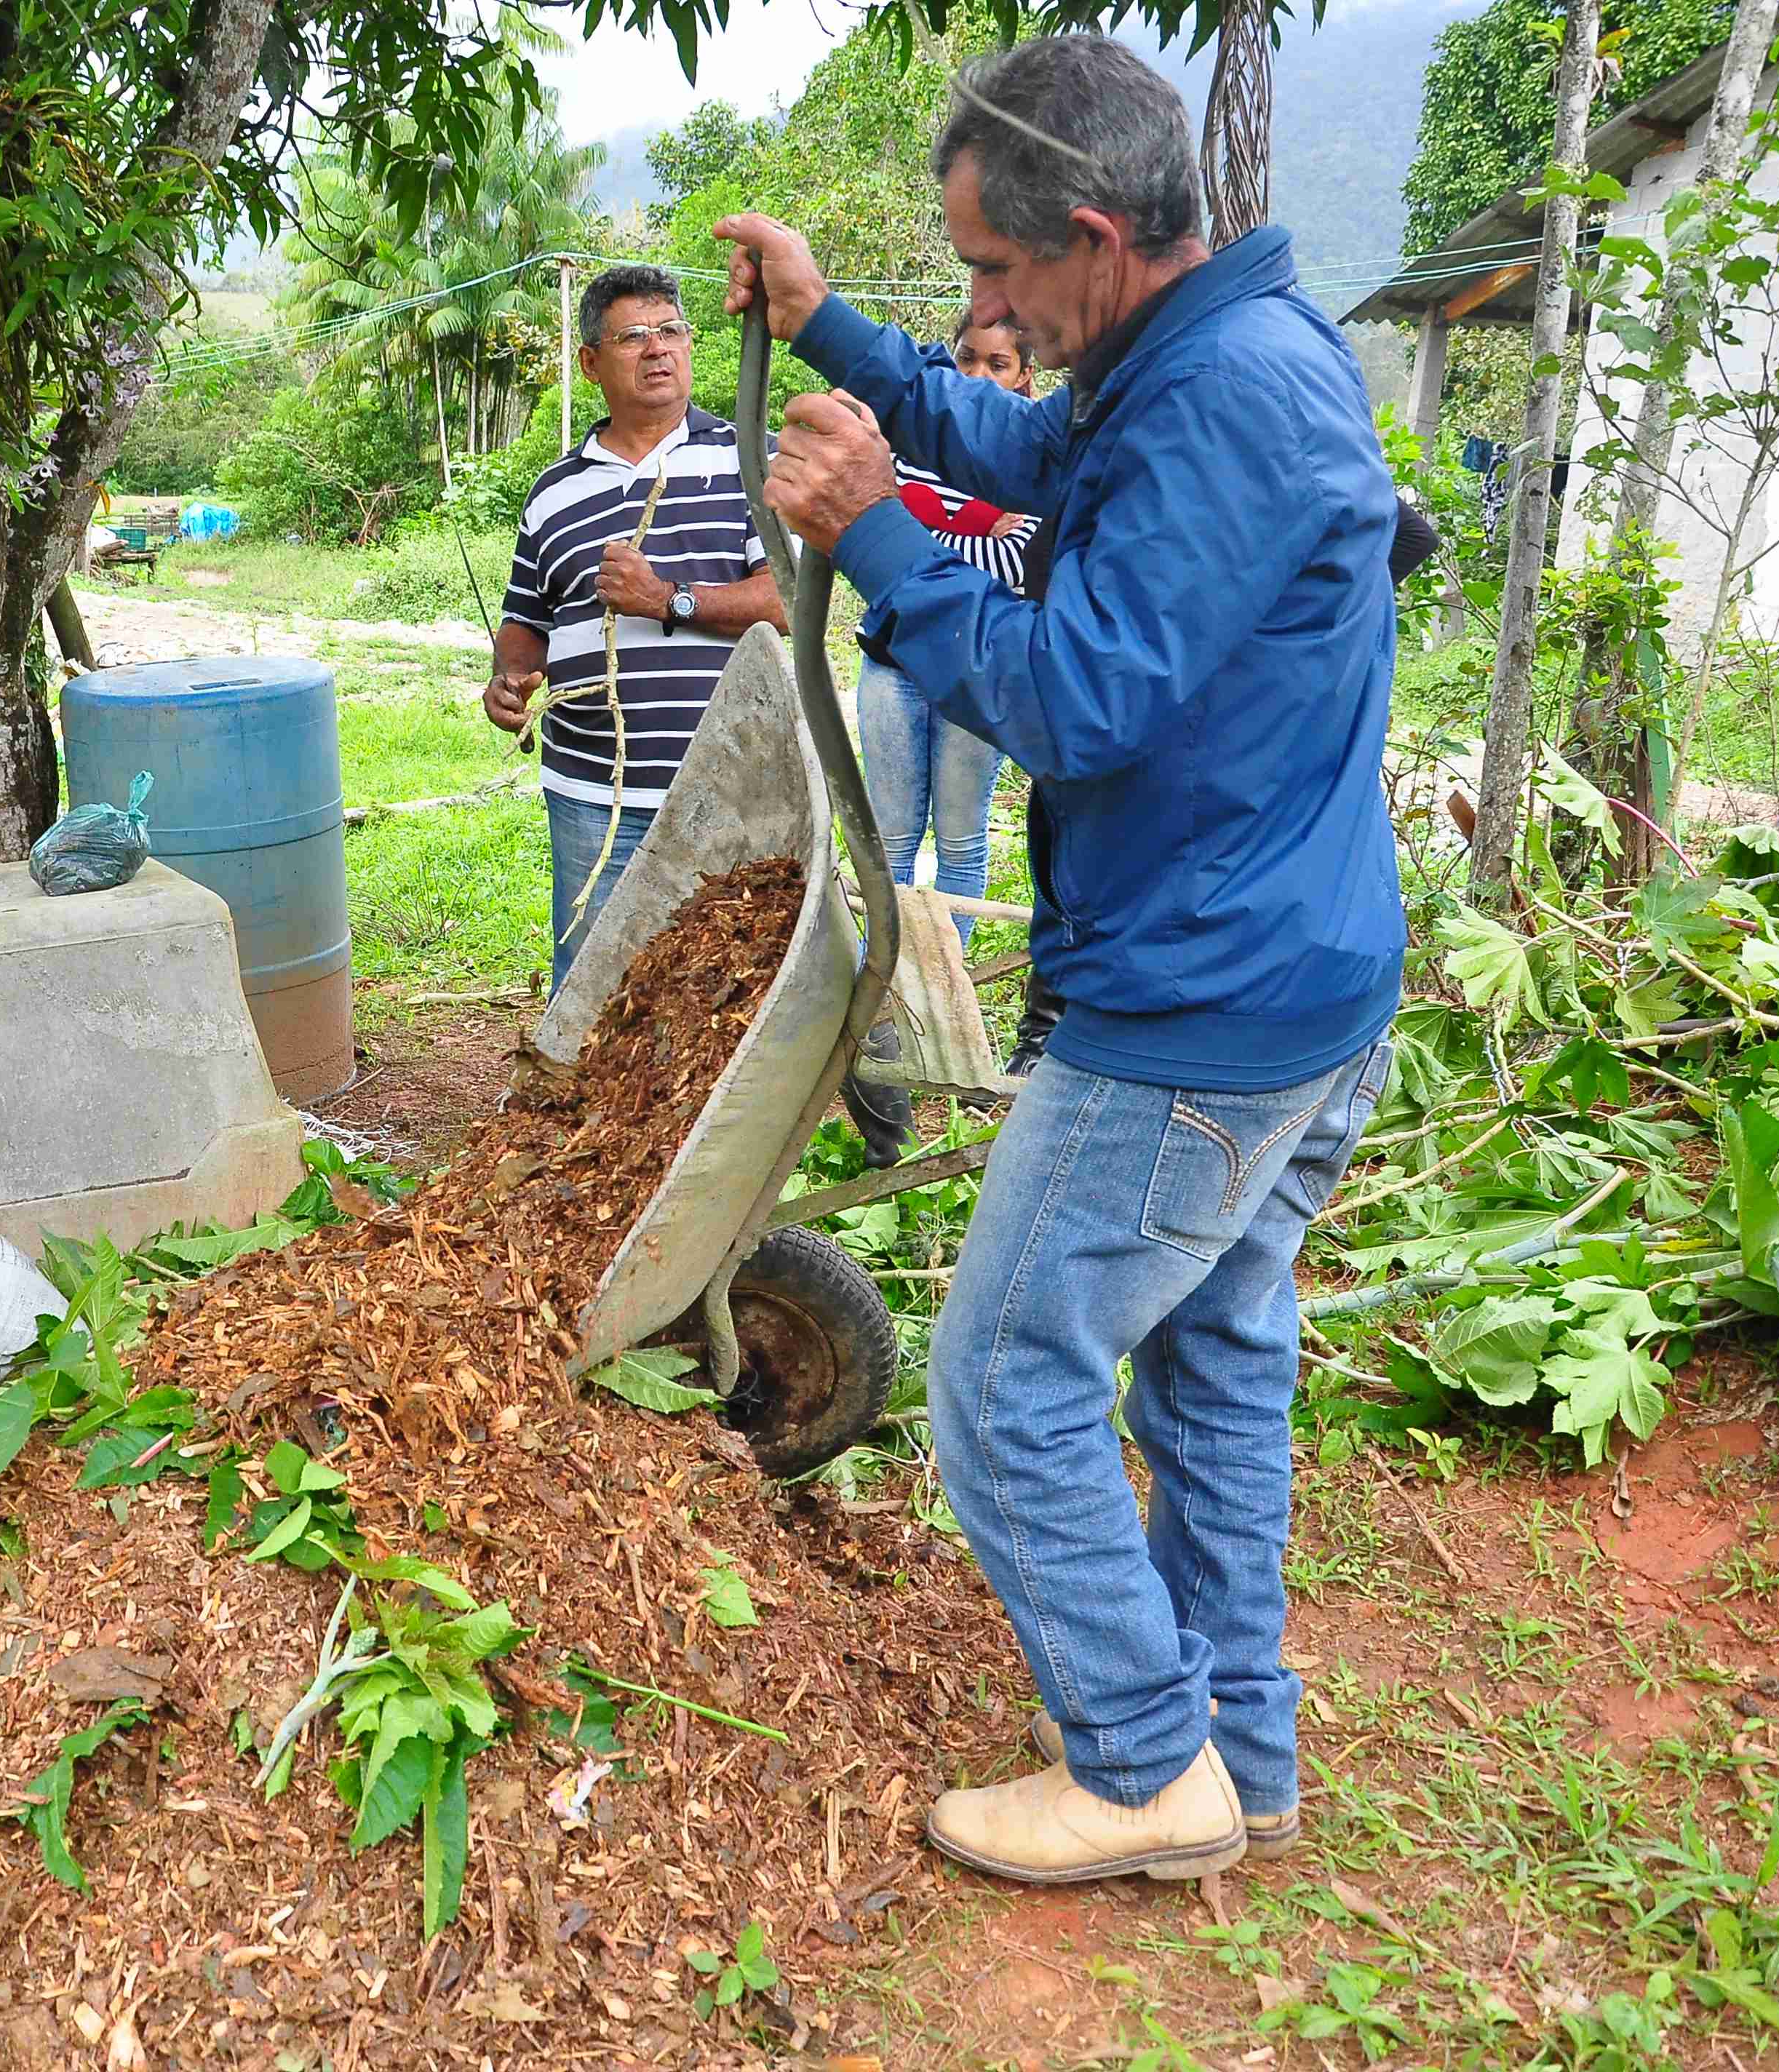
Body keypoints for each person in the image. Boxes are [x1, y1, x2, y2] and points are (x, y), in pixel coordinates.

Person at [720, 32, 1405, 1886]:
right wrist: (841, 335)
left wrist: (871, 533)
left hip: (1196, 994)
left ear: (1096, 235)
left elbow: (1077, 693)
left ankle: (1138, 1763)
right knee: (1209, 1367)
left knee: (1005, 1363)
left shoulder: (1229, 398)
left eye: (998, 274)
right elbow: (1024, 454)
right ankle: (1236, 1755)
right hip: (1290, 964)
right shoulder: (1189, 359)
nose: (986, 306)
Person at [485, 264, 788, 993]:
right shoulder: (554, 493)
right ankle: (580, 1109)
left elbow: (789, 603)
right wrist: (509, 680)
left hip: (730, 783)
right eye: (633, 337)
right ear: (590, 362)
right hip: (593, 792)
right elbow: (525, 618)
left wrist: (667, 599)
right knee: (594, 983)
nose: (659, 349)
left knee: (728, 986)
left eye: (671, 331)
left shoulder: (751, 456)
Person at [859, 311, 1040, 952]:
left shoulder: (1034, 457)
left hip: (980, 672)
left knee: (962, 838)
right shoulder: (911, 441)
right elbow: (870, 546)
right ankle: (880, 988)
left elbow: (1021, 563)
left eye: (999, 364)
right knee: (889, 841)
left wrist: (913, 544)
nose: (979, 376)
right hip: (891, 663)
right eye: (967, 359)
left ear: (1025, 377)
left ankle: (947, 987)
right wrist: (970, 538)